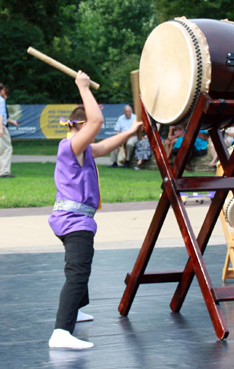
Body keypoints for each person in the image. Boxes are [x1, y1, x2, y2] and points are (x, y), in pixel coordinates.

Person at [48, 71, 142, 349]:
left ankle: (75, 310)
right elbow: (97, 121)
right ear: (81, 126)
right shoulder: (70, 146)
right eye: (89, 126)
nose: (95, 129)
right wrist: (83, 86)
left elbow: (102, 146)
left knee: (79, 269)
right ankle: (61, 332)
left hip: (75, 219)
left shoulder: (84, 149)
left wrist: (130, 131)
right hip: (73, 221)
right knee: (78, 272)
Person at [0, 84, 19, 178]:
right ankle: (4, 172)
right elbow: (1, 115)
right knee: (6, 148)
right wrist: (1, 128)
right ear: (2, 90)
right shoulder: (1, 100)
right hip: (1, 126)